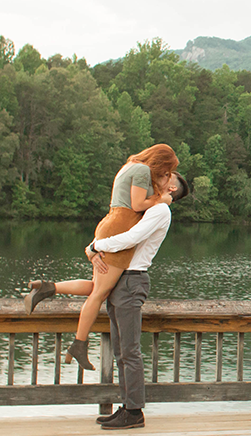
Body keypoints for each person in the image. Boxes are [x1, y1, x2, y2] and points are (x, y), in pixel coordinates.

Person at [24, 144, 179, 370]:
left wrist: (95, 246)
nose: (166, 177)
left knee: (98, 286)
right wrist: (162, 200)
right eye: (166, 171)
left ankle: (48, 288)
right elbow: (137, 205)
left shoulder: (129, 166)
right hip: (119, 228)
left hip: (110, 223)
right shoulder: (143, 171)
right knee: (99, 293)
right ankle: (79, 344)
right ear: (159, 162)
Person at [90, 172, 189, 429]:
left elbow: (131, 239)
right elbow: (122, 229)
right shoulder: (148, 207)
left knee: (130, 351)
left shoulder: (160, 212)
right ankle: (126, 407)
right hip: (121, 279)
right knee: (121, 351)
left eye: (169, 178)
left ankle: (134, 412)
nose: (162, 177)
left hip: (132, 281)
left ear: (172, 189)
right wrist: (96, 248)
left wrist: (97, 245)